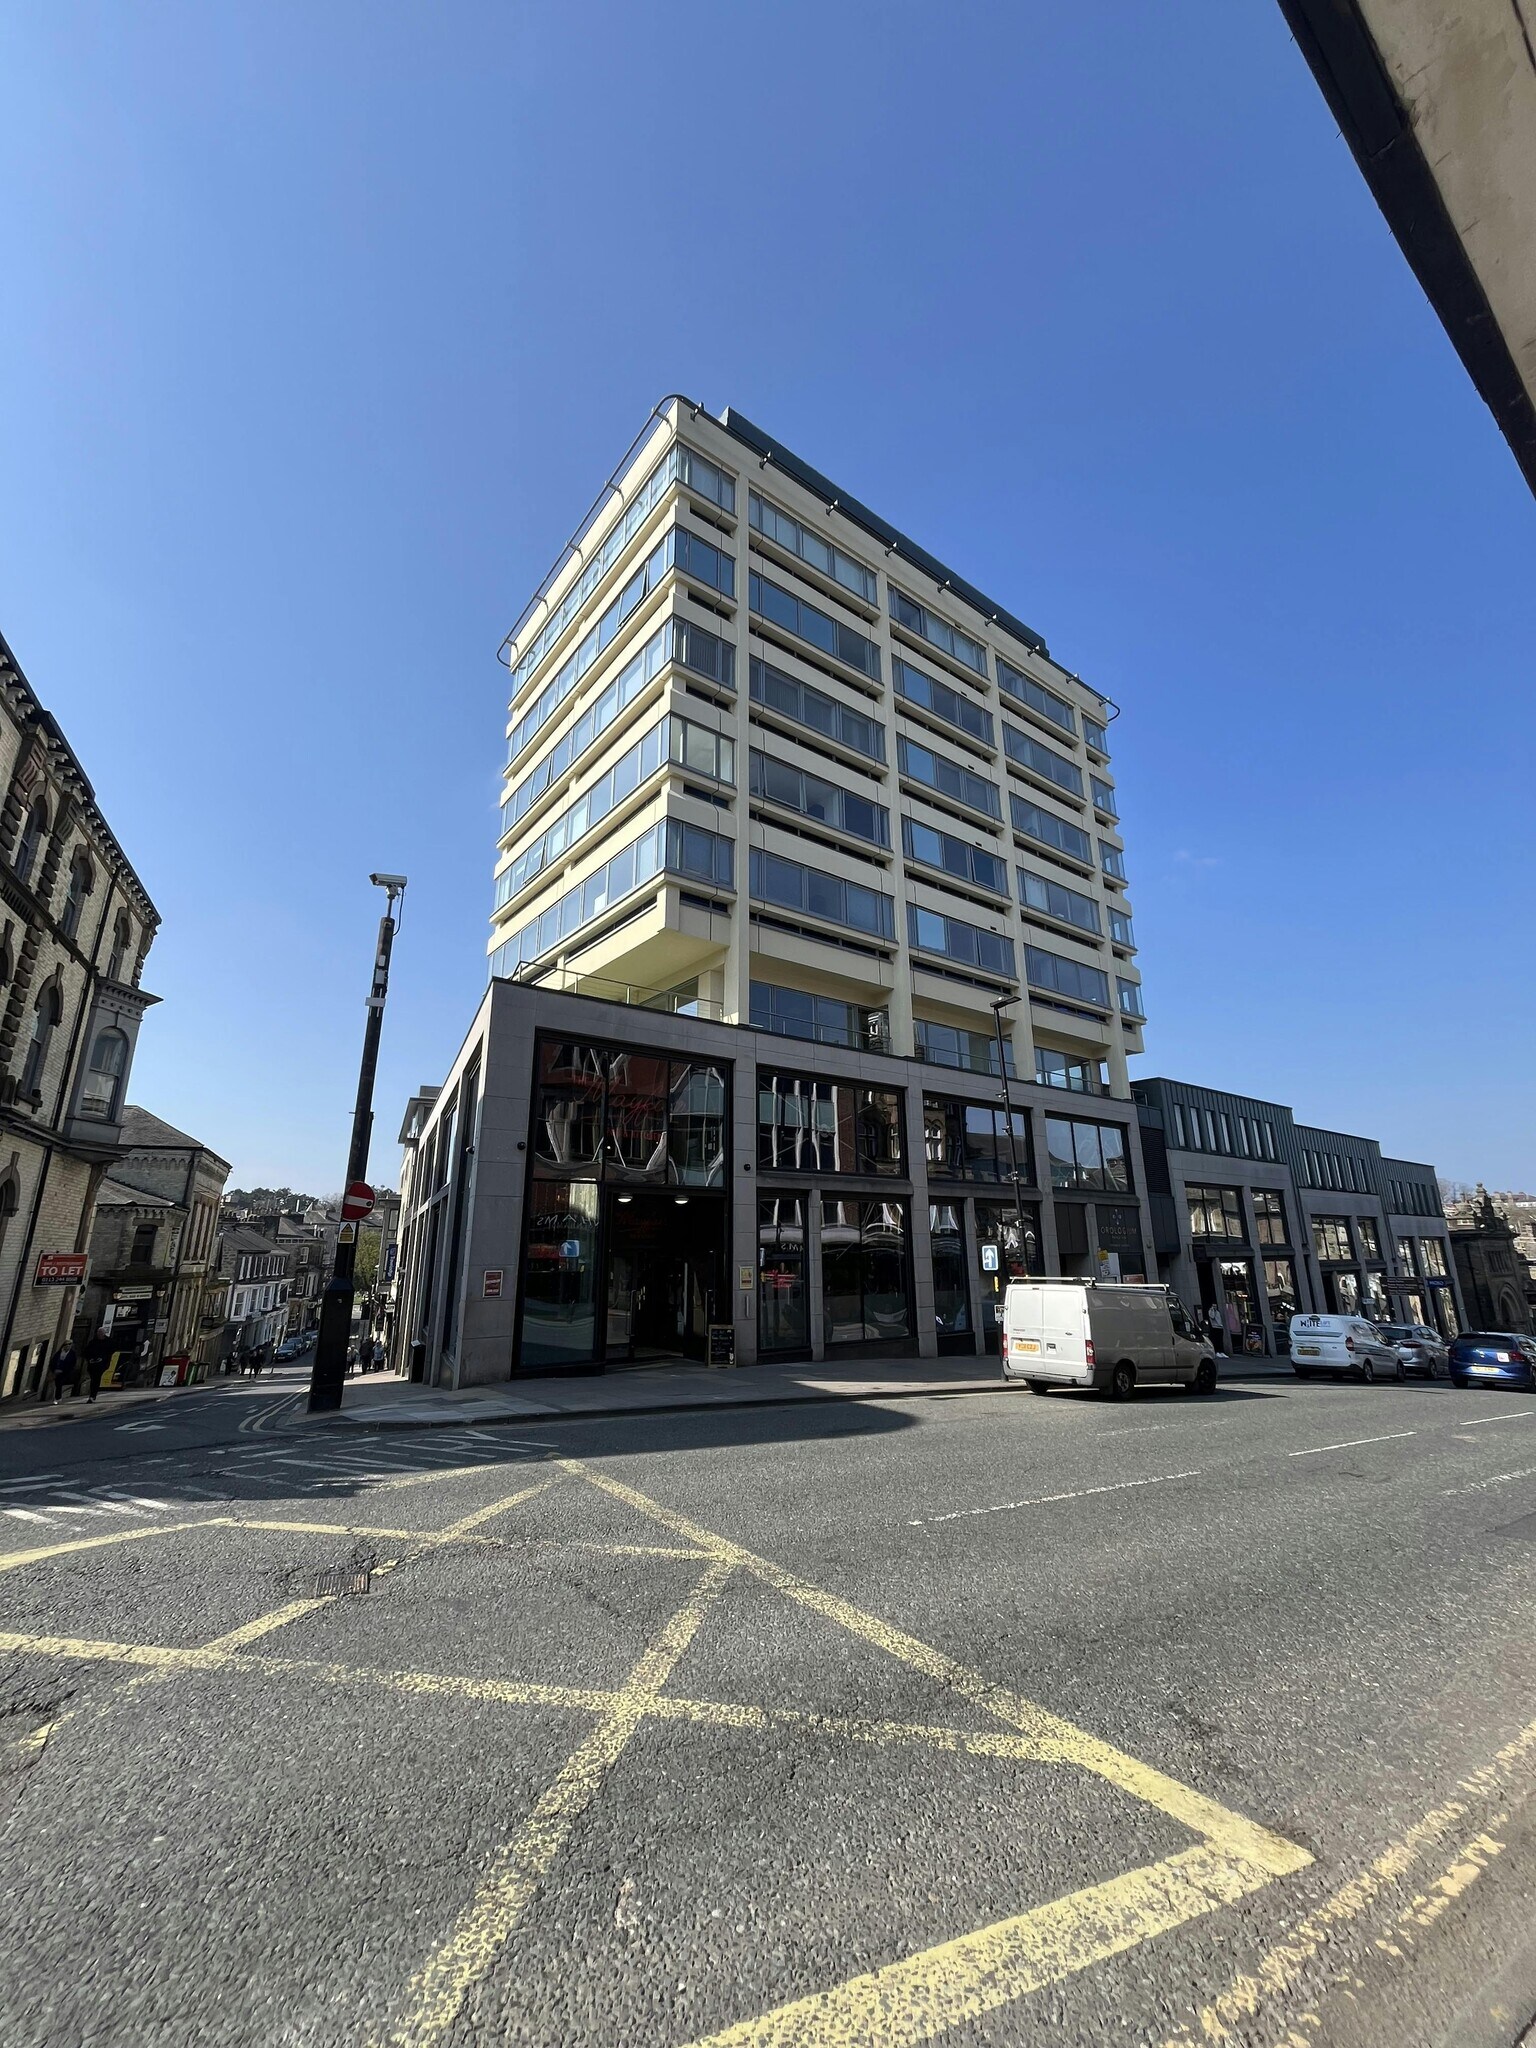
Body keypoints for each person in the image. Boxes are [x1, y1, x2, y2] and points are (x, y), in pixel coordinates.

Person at [84, 1327, 113, 1403]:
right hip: (92, 1364)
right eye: (98, 1333)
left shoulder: (108, 1342)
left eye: (101, 1333)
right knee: (93, 1379)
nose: (99, 1334)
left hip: (102, 1364)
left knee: (96, 1379)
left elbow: (110, 1352)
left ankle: (92, 1396)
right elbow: (86, 1351)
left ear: (104, 1334)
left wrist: (102, 1359)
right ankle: (92, 1395)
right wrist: (90, 1359)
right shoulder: (93, 1342)